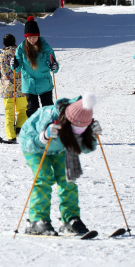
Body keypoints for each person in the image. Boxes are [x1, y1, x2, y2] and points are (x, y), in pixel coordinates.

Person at [19, 92, 100, 236]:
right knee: (43, 178)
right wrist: (43, 137)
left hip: (61, 149)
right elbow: (27, 144)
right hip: (36, 148)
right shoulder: (47, 116)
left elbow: (84, 148)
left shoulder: (82, 121)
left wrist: (92, 137)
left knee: (68, 178)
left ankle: (70, 219)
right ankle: (38, 221)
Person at [12, 16, 59, 119]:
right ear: (26, 37)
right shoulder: (21, 49)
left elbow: (54, 63)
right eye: (29, 37)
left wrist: (54, 66)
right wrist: (14, 64)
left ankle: (48, 127)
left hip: (44, 82)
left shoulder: (46, 47)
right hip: (29, 83)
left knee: (47, 107)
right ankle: (33, 127)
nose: (32, 40)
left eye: (34, 37)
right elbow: (18, 68)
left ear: (38, 36)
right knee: (32, 107)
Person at [0, 34, 27, 142]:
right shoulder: (22, 54)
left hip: (7, 89)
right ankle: (19, 128)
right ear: (15, 42)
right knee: (22, 110)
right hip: (21, 88)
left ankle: (11, 136)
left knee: (9, 112)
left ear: (4, 44)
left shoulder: (0, 57)